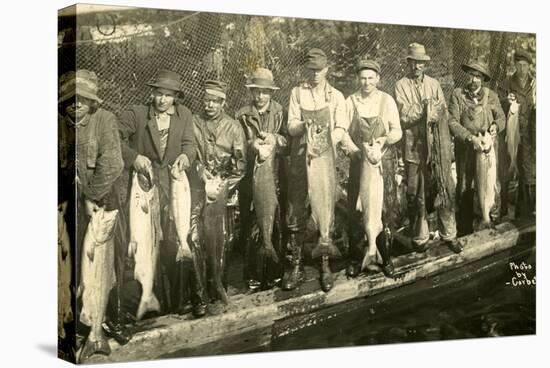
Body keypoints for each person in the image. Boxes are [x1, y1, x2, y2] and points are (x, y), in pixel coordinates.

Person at [118, 69, 202, 317]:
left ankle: (179, 300)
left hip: (174, 186)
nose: (162, 100)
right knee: (145, 241)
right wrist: (134, 158)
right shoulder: (137, 114)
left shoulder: (184, 115)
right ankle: (149, 299)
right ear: (152, 93)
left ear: (176, 97)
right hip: (145, 186)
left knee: (176, 241)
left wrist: (185, 158)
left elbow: (190, 144)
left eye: (168, 95)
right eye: (158, 94)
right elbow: (115, 138)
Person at [58, 69, 129, 353]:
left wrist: (90, 196)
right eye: (70, 100)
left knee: (109, 264)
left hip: (101, 203)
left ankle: (111, 319)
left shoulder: (105, 120)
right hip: (68, 207)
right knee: (72, 265)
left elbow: (113, 163)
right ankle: (75, 327)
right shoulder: (57, 124)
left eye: (83, 99)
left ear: (92, 102)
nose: (76, 104)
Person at [285, 48, 358, 292]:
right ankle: (296, 265)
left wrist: (328, 139)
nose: (316, 74)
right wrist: (303, 126)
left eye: (320, 69)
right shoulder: (297, 93)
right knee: (296, 213)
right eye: (312, 69)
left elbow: (341, 127)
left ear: (327, 69)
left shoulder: (336, 96)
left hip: (324, 159)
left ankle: (325, 261)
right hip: (300, 160)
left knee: (326, 208)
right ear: (308, 70)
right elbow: (291, 125)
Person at [394, 43, 461, 254]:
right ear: (409, 63)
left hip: (438, 146)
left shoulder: (434, 84)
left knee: (444, 186)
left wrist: (432, 111)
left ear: (425, 64)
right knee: (416, 193)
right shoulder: (400, 86)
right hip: (414, 148)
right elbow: (404, 116)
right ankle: (420, 238)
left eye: (421, 63)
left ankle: (449, 234)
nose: (417, 66)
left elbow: (441, 110)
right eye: (414, 62)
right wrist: (424, 109)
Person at [191, 79, 247, 305]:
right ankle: (199, 293)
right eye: (207, 100)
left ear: (223, 103)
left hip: (225, 189)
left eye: (215, 101)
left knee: (225, 240)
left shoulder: (233, 127)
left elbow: (241, 165)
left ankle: (219, 287)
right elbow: (191, 153)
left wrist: (223, 184)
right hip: (199, 186)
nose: (210, 105)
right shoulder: (194, 122)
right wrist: (201, 173)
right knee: (197, 239)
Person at [345, 59, 402, 278]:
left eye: (371, 78)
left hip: (382, 164)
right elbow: (343, 133)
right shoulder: (351, 101)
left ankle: (385, 257)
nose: (367, 82)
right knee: (355, 211)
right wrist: (354, 150)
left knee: (385, 212)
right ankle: (355, 258)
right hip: (359, 163)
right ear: (357, 79)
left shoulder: (386, 101)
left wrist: (383, 141)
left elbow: (397, 131)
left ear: (378, 79)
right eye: (363, 78)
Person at [236, 68, 287, 291]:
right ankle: (253, 276)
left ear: (271, 93)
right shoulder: (242, 115)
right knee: (250, 226)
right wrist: (251, 146)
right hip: (251, 179)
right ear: (252, 92)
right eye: (257, 92)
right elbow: (236, 146)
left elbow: (289, 142)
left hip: (275, 177)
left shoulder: (280, 112)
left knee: (275, 224)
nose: (260, 97)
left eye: (265, 92)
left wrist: (275, 139)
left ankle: (275, 273)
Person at [448, 60, 505, 235]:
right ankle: (465, 229)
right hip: (466, 150)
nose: (474, 80)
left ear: (483, 79)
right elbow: (452, 121)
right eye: (471, 75)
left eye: (478, 76)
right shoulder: (458, 95)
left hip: (488, 151)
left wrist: (495, 126)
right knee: (465, 186)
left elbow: (502, 117)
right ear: (467, 76)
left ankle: (491, 221)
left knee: (492, 185)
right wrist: (470, 137)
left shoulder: (491, 96)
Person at [498, 49, 536, 219]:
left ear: (529, 66)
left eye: (524, 65)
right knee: (506, 172)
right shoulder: (507, 83)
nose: (521, 69)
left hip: (528, 135)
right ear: (514, 65)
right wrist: (507, 101)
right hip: (510, 135)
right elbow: (497, 107)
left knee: (527, 172)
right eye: (518, 65)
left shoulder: (535, 84)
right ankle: (503, 211)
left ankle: (524, 214)